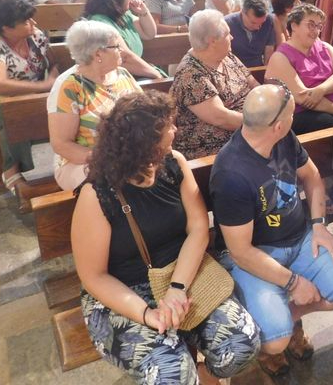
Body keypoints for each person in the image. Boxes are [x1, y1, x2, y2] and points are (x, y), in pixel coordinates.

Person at [72, 91, 260, 384]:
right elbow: (93, 276)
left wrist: (177, 288)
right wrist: (147, 314)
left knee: (240, 345)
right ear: (142, 144)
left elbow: (198, 228)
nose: (175, 130)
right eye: (168, 127)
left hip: (182, 272)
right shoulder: (96, 195)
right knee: (172, 377)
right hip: (124, 292)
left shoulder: (173, 164)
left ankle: (205, 374)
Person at [212, 82, 333, 377]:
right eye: (292, 114)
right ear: (278, 125)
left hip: (300, 237)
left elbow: (313, 177)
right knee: (275, 340)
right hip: (256, 255)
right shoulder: (232, 173)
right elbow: (240, 252)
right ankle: (274, 340)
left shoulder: (284, 139)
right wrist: (294, 284)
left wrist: (319, 226)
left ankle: (288, 319)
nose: (296, 117)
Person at [0, 0, 58, 189]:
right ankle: (12, 171)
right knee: (17, 115)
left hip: (33, 97)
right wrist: (43, 87)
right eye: (26, 22)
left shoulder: (35, 35)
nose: (34, 24)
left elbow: (53, 63)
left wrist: (53, 82)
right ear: (5, 28)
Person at [47, 21, 141, 191]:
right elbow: (61, 144)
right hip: (85, 162)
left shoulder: (123, 74)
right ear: (99, 53)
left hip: (129, 154)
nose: (122, 50)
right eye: (117, 46)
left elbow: (146, 111)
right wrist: (108, 159)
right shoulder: (69, 86)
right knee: (122, 180)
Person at [170, 10, 258, 160]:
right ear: (212, 41)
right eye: (227, 34)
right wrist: (261, 123)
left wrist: (271, 107)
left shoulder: (226, 56)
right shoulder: (190, 74)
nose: (232, 37)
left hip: (245, 131)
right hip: (213, 149)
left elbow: (253, 84)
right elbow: (221, 118)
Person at [264, 4, 333, 134]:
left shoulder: (326, 47)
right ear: (294, 25)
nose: (316, 30)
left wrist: (322, 89)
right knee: (331, 124)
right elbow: (304, 98)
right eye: (311, 24)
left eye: (319, 26)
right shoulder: (280, 57)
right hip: (305, 114)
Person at [84, 0, 162, 79]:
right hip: (118, 77)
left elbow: (149, 34)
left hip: (136, 73)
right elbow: (125, 57)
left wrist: (143, 12)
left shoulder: (125, 15)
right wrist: (155, 74)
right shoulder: (100, 22)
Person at [226, 0, 276, 67]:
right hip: (235, 68)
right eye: (253, 23)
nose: (257, 27)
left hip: (258, 68)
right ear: (242, 12)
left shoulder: (269, 20)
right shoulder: (227, 24)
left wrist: (266, 70)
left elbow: (269, 48)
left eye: (261, 23)